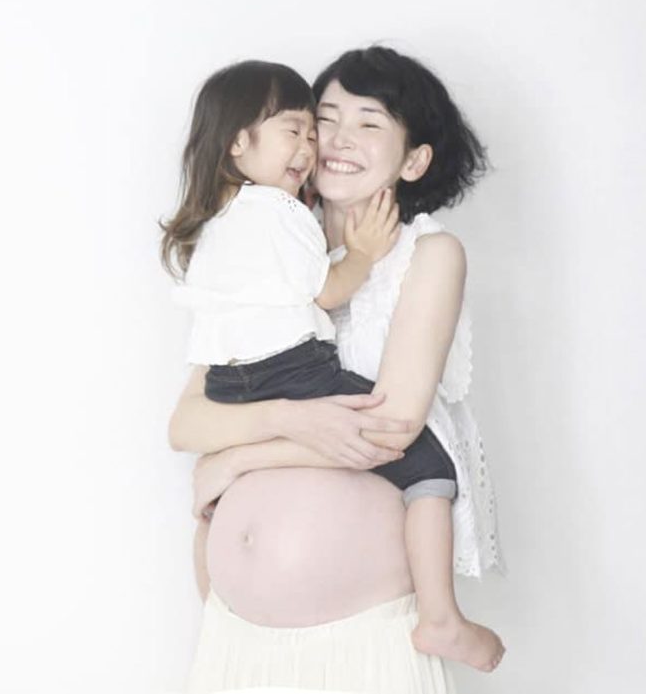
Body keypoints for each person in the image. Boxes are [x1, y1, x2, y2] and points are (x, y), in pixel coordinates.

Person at [168, 47, 505, 693]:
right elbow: (187, 421)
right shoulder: (265, 247)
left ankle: (444, 617)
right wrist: (283, 421)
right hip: (234, 636)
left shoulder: (430, 254)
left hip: (363, 639)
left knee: (427, 465)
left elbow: (392, 425)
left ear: (414, 160)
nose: (337, 138)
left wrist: (238, 459)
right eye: (324, 118)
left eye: (369, 122)